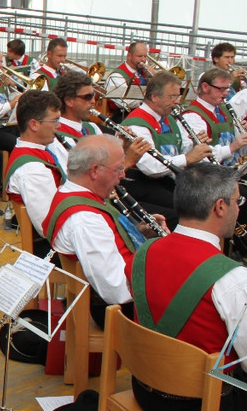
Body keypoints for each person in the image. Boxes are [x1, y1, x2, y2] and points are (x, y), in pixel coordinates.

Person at [127, 162, 247, 411]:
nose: (239, 208)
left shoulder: (146, 250)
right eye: (237, 201)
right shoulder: (232, 278)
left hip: (145, 388)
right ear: (220, 208)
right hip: (201, 409)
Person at [44, 135, 166, 327]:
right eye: (118, 168)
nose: (123, 175)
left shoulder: (76, 194)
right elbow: (116, 290)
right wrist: (164, 272)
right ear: (95, 171)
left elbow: (107, 239)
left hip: (123, 293)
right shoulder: (85, 220)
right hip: (123, 312)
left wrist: (136, 233)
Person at [121, 71, 213, 228]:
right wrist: (189, 158)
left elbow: (179, 149)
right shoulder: (137, 124)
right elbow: (150, 167)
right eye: (172, 97)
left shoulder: (168, 118)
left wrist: (195, 144)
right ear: (155, 97)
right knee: (189, 211)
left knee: (208, 198)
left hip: (167, 179)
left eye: (178, 96)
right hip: (143, 182)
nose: (177, 102)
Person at [5, 90, 66, 242]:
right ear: (34, 124)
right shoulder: (31, 170)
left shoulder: (39, 150)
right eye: (55, 121)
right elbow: (49, 226)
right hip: (54, 249)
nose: (59, 126)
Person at [181, 67, 247, 167]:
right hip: (208, 177)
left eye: (227, 88)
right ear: (205, 87)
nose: (225, 93)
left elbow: (239, 145)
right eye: (221, 89)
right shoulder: (192, 115)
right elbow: (199, 155)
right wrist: (232, 147)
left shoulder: (226, 111)